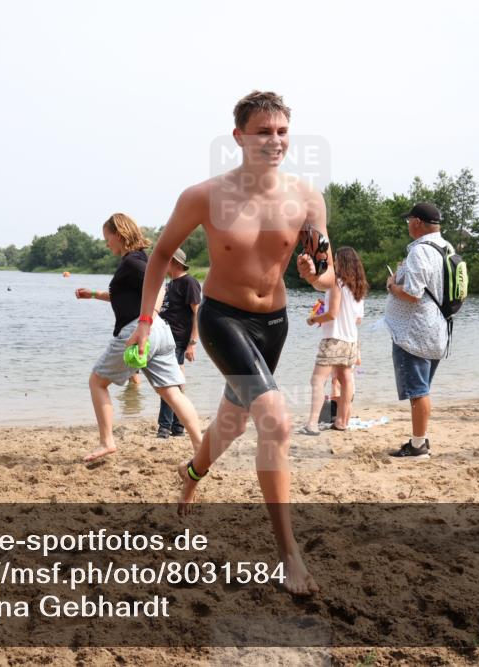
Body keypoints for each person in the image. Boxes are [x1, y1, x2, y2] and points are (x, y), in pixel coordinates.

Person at [126, 91, 329, 595]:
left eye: (282, 132)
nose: (274, 141)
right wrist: (146, 321)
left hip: (275, 322)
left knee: (235, 422)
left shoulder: (307, 198)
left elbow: (325, 274)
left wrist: (314, 274)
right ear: (238, 137)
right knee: (276, 420)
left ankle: (193, 469)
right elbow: (159, 257)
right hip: (222, 319)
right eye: (263, 131)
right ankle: (288, 556)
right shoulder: (204, 196)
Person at [77, 213, 203, 462]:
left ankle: (107, 442)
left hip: (140, 329)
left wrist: (146, 322)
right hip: (160, 332)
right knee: (172, 392)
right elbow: (128, 296)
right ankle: (202, 446)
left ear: (120, 235)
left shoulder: (133, 262)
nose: (106, 244)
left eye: (107, 238)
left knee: (97, 383)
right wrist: (92, 294)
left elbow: (159, 287)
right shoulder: (138, 260)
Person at [385, 202, 452, 459]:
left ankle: (417, 446)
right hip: (438, 329)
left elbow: (412, 293)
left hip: (415, 333)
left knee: (418, 391)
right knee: (422, 388)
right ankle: (420, 438)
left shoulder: (421, 251)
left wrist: (392, 285)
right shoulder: (446, 248)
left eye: (409, 221)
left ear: (417, 222)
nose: (408, 225)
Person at [299, 246, 367, 435]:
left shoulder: (337, 283)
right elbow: (358, 319)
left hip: (334, 340)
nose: (334, 263)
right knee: (346, 380)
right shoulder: (358, 287)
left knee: (317, 380)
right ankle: (342, 421)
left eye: (335, 260)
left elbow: (332, 314)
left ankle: (312, 423)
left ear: (341, 263)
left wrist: (314, 319)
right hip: (351, 341)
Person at [155, 248, 202, 439]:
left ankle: (164, 428)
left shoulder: (189, 282)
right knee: (174, 380)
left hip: (178, 340)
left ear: (174, 262)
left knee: (168, 382)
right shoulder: (170, 283)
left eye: (166, 260)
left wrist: (193, 342)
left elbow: (198, 313)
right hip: (164, 340)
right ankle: (178, 426)